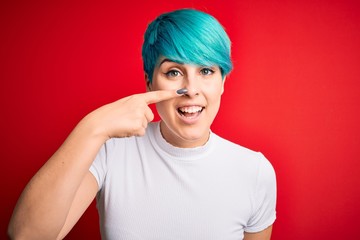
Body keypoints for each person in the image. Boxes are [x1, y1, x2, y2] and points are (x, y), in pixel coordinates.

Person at [8, 8, 276, 240]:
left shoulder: (255, 172)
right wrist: (93, 126)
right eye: (174, 72)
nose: (191, 89)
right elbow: (26, 235)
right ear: (150, 82)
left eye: (206, 71)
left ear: (223, 83)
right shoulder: (110, 150)